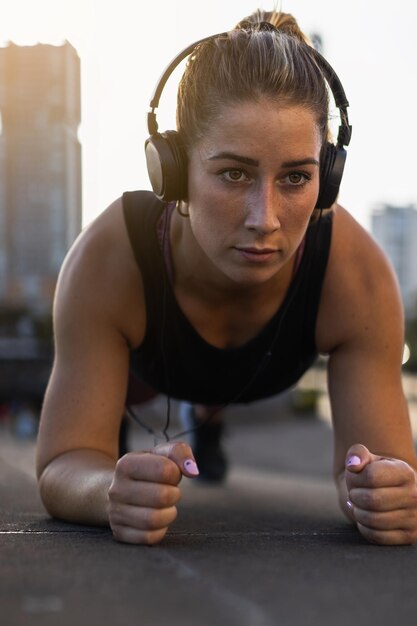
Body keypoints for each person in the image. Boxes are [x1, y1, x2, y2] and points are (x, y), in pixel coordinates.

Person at [36, 9, 417, 547]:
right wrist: (106, 489)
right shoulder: (108, 260)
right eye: (233, 174)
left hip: (242, 371)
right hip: (146, 372)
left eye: (296, 177)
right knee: (123, 462)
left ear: (326, 179)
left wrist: (384, 493)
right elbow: (63, 462)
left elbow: (383, 470)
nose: (265, 218)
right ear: (172, 170)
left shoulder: (356, 277)